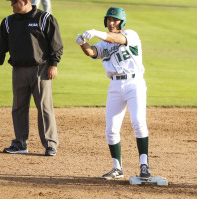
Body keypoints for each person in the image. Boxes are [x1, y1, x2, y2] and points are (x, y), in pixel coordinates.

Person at [76, 7, 151, 180]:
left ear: (122, 22)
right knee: (111, 129)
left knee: (138, 122)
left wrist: (96, 32)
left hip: (134, 83)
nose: (111, 23)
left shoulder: (131, 35)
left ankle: (144, 165)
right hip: (115, 86)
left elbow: (117, 39)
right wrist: (81, 42)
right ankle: (117, 168)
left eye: (115, 20)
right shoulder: (104, 44)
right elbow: (92, 52)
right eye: (109, 19)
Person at [0, 0, 63, 156]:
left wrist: (54, 65)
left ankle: (50, 143)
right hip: (18, 70)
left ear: (25, 2)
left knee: (44, 108)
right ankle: (20, 143)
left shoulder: (44, 18)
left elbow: (56, 44)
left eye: (14, 2)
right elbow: (0, 45)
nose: (12, 5)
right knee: (18, 107)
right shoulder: (8, 22)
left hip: (41, 70)